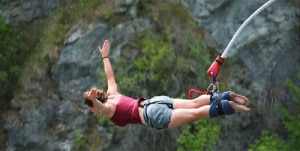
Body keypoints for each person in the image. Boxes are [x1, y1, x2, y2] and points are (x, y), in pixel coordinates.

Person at [83, 40, 250, 129]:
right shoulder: (113, 94)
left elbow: (104, 110)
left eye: (92, 109)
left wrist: (94, 100)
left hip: (152, 115)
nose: (95, 112)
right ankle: (225, 96)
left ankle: (229, 106)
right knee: (193, 104)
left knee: (195, 114)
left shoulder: (109, 110)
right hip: (154, 101)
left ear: (94, 105)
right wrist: (105, 57)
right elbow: (110, 76)